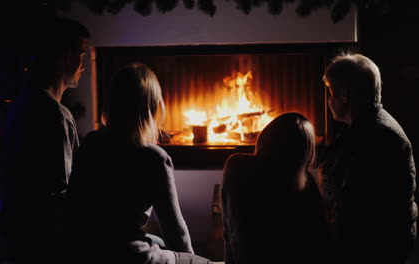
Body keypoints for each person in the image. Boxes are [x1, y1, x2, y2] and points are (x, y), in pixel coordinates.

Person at [66, 62, 211, 264]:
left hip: (84, 251)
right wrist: (191, 259)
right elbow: (175, 231)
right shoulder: (154, 158)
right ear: (151, 107)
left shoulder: (91, 142)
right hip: (129, 255)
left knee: (156, 240)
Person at [0, 16, 90, 264]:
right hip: (46, 243)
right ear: (64, 57)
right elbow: (60, 193)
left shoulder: (23, 104)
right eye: (81, 56)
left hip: (18, 235)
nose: (84, 65)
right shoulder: (55, 115)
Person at [318, 52, 417, 264]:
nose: (328, 100)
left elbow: (354, 209)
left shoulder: (378, 137)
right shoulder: (363, 127)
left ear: (345, 95)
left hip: (376, 246)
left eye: (331, 92)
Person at [221, 112, 329, 264]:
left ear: (266, 138)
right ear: (306, 152)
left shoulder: (238, 168)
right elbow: (320, 239)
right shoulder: (307, 184)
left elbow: (231, 233)